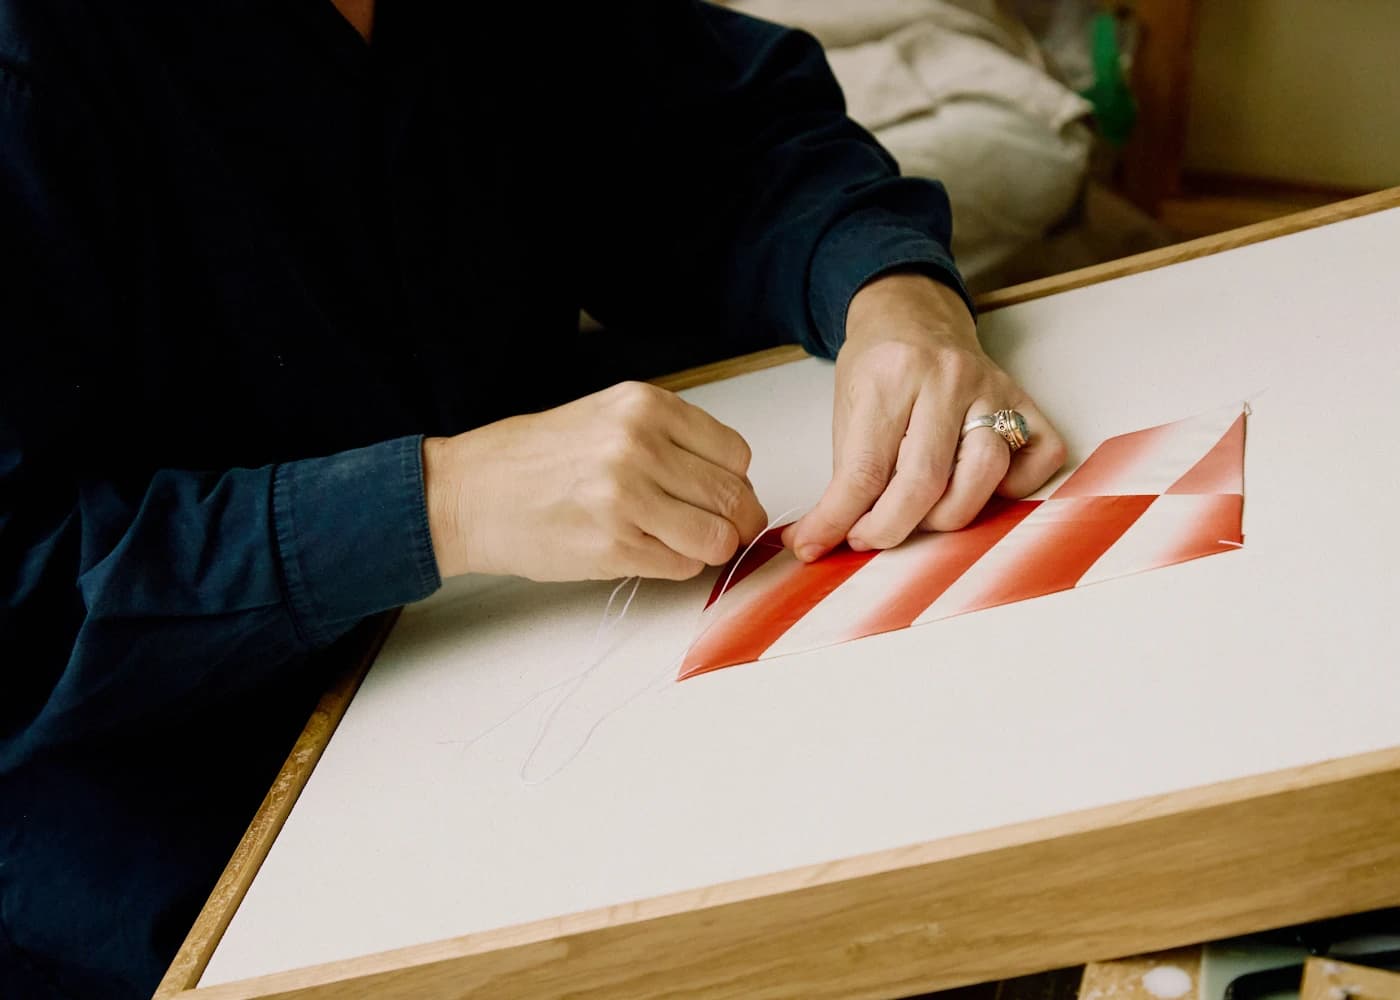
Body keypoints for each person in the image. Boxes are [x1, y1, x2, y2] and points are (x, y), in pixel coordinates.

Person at [0, 0, 1066, 995]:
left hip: (530, 639)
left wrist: (894, 299)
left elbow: (720, 137)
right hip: (162, 802)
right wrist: (439, 499)